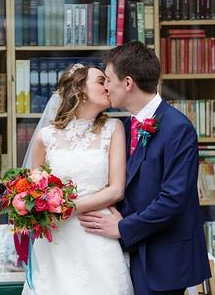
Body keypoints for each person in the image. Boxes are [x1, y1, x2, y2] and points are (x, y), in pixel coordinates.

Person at [78, 41, 211, 295]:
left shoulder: (178, 128)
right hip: (126, 255)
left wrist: (122, 227)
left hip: (165, 258)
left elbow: (173, 199)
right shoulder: (124, 128)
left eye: (108, 79)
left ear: (127, 83)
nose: (105, 86)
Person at [21, 63, 134, 295]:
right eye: (101, 81)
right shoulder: (46, 138)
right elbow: (34, 191)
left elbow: (116, 190)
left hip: (96, 231)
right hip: (56, 240)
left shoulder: (114, 129)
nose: (108, 87)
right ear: (80, 89)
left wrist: (66, 208)